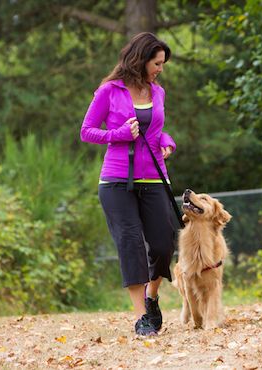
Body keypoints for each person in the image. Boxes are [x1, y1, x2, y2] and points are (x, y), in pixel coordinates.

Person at [80, 32, 177, 336]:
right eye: (157, 63)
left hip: (154, 177)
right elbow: (87, 131)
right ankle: (141, 318)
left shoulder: (157, 92)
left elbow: (156, 131)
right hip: (116, 180)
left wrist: (168, 141)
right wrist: (117, 134)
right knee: (131, 243)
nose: (160, 68)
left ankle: (152, 297)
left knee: (164, 243)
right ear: (141, 59)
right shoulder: (109, 91)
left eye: (162, 63)